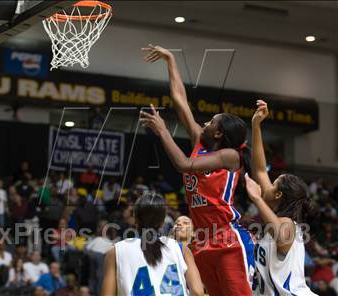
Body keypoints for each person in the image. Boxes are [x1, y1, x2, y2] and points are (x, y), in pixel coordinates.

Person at [140, 45, 254, 295]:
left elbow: (183, 165)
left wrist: (162, 131)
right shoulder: (200, 143)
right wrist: (170, 60)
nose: (205, 122)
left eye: (211, 121)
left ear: (219, 133)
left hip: (228, 238)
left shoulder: (230, 156)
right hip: (202, 239)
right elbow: (180, 102)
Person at [247, 99, 317, 295]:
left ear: (278, 194)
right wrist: (256, 126)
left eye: (273, 182)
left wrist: (258, 199)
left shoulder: (288, 224)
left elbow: (280, 237)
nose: (265, 184)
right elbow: (260, 169)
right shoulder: (279, 221)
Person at [101, 192, 203, 295]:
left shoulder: (115, 251)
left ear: (135, 219)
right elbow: (198, 292)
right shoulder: (182, 249)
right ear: (163, 222)